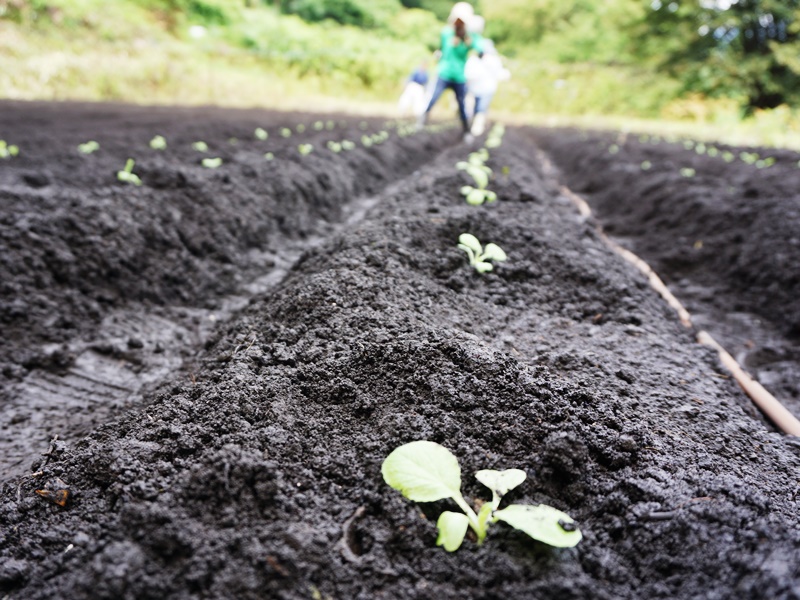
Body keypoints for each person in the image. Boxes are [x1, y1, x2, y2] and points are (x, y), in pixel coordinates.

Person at [417, 2, 483, 142]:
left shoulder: (469, 37)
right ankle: (422, 121)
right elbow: (441, 48)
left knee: (461, 104)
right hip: (444, 73)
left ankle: (466, 131)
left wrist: (469, 43)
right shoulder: (447, 33)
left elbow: (480, 50)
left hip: (459, 76)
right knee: (433, 97)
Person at [464, 17, 510, 136]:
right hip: (479, 88)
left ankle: (474, 131)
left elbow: (498, 72)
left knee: (479, 110)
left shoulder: (480, 60)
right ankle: (473, 130)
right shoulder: (477, 59)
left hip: (483, 88)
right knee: (478, 110)